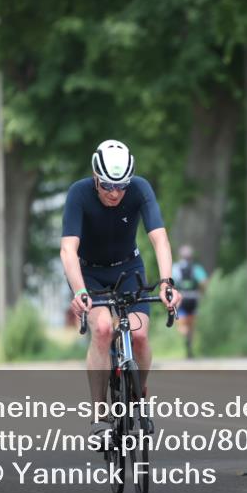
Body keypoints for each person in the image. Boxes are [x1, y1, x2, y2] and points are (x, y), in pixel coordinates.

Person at [60, 140, 182, 436]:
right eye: (107, 186)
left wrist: (166, 282)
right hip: (88, 273)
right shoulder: (78, 194)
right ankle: (99, 415)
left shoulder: (140, 189)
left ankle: (141, 393)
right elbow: (67, 249)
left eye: (121, 186)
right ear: (95, 176)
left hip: (129, 268)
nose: (115, 193)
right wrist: (79, 292)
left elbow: (160, 239)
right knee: (102, 329)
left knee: (139, 334)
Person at [174, 245, 208, 358]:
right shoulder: (196, 268)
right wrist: (202, 292)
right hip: (193, 297)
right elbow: (204, 281)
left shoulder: (176, 268)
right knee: (191, 323)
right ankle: (189, 342)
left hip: (181, 298)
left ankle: (185, 336)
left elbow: (170, 282)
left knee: (181, 324)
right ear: (191, 257)